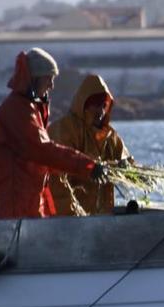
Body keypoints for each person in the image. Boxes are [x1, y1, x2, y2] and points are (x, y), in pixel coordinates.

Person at [0, 47, 108, 219]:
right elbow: (43, 150)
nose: (52, 85)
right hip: (16, 209)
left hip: (27, 205)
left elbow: (44, 158)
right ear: (34, 79)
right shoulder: (18, 110)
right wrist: (87, 166)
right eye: (48, 78)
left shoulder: (28, 108)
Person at [48, 74, 135, 215]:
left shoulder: (111, 137)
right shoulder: (64, 129)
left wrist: (130, 169)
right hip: (67, 217)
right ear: (84, 105)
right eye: (95, 105)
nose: (100, 111)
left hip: (99, 218)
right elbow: (57, 180)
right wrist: (74, 214)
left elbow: (129, 164)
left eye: (103, 106)